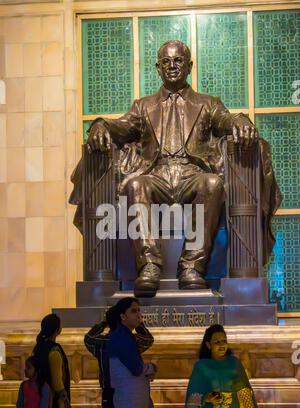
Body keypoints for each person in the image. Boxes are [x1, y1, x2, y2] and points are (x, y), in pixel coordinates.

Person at [81, 39, 281, 295]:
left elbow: (224, 119)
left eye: (178, 61)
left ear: (189, 66)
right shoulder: (143, 106)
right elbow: (122, 126)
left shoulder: (208, 103)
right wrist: (100, 125)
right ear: (157, 68)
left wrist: (240, 119)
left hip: (192, 175)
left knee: (212, 183)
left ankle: (191, 266)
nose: (172, 66)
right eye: (166, 62)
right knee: (135, 184)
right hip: (157, 176)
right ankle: (149, 265)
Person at [185, 324, 274, 408]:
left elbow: (244, 392)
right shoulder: (201, 367)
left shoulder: (234, 364)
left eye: (224, 341)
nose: (222, 345)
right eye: (216, 342)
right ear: (208, 345)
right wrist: (205, 398)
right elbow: (191, 397)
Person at [84, 297, 154, 408]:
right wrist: (139, 323)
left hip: (109, 395)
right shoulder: (130, 341)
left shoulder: (100, 343)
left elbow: (88, 338)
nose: (137, 314)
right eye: (134, 311)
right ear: (122, 317)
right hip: (124, 397)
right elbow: (148, 339)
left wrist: (104, 323)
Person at [33, 313, 74, 408]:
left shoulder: (38, 347)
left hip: (41, 400)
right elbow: (58, 383)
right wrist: (67, 404)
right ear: (57, 329)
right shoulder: (54, 351)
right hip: (54, 403)